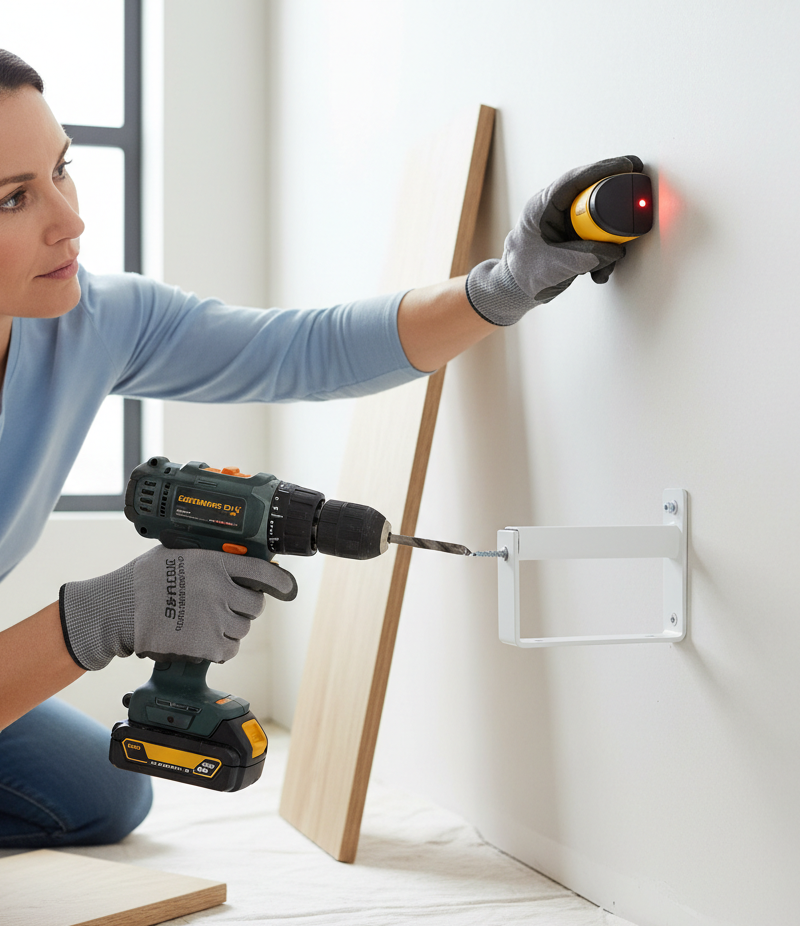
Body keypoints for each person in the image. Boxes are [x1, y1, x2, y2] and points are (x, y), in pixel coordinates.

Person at [0, 48, 641, 847]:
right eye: (14, 199)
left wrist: (500, 289)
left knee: (98, 794)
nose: (71, 219)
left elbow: (304, 350)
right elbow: (95, 622)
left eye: (63, 170)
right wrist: (99, 618)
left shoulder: (86, 321)